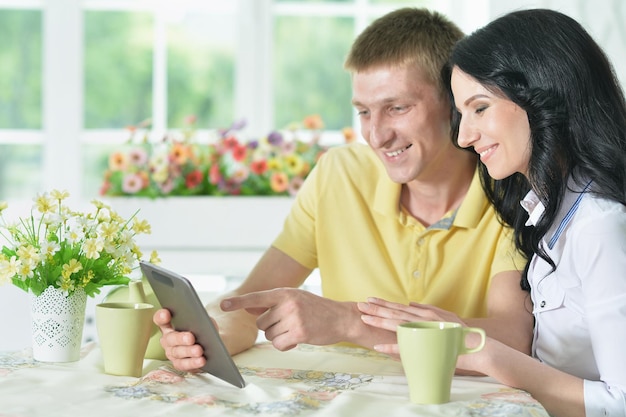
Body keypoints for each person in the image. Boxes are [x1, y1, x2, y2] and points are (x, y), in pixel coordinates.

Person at [154, 7, 532, 372]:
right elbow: (250, 304)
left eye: (397, 108)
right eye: (364, 112)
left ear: (453, 103)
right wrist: (205, 335)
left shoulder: (510, 193)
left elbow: (512, 338)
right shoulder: (339, 175)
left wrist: (351, 323)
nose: (377, 135)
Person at [359, 8, 626, 417]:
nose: (464, 136)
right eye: (461, 114)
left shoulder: (600, 226)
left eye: (479, 108)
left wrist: (488, 356)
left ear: (543, 95)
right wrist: (463, 337)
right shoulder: (547, 211)